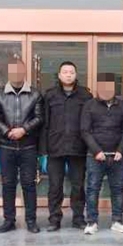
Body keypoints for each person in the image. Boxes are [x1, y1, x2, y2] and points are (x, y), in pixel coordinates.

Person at [0, 58, 44, 234]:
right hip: (6, 146)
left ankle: (31, 221)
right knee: (8, 184)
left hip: (28, 147)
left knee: (29, 184)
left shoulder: (35, 94)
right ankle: (9, 220)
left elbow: (39, 117)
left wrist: (24, 130)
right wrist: (7, 132)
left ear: (24, 71)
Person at [40, 61, 93, 232]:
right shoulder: (50, 95)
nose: (68, 75)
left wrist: (90, 146)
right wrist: (43, 149)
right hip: (55, 147)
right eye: (65, 72)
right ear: (59, 75)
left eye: (71, 72)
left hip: (78, 147)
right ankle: (54, 219)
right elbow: (44, 123)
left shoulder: (85, 95)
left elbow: (90, 122)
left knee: (78, 186)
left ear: (76, 75)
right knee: (55, 186)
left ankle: (78, 218)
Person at [81, 73, 123, 234]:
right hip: (95, 156)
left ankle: (117, 221)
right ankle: (91, 222)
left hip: (117, 156)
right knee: (92, 189)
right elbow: (85, 131)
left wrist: (121, 150)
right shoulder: (89, 105)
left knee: (117, 190)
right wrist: (96, 151)